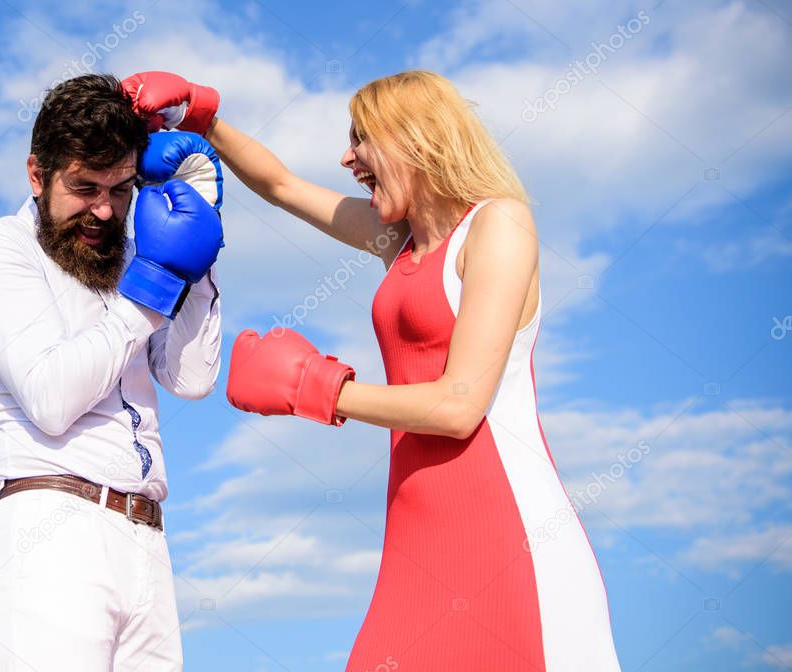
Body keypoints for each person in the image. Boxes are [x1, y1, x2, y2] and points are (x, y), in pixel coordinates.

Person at [124, 70, 622, 670]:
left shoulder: (498, 224)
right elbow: (281, 184)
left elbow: (459, 406)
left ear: (415, 139)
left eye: (362, 139)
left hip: (508, 533)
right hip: (416, 543)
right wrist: (201, 118)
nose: (347, 157)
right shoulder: (399, 240)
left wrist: (313, 386)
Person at [0, 73, 224, 671]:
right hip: (50, 532)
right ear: (36, 174)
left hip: (146, 540)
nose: (104, 209)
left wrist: (195, 259)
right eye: (84, 187)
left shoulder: (127, 258)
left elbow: (193, 379)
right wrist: (154, 284)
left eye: (121, 189)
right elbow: (50, 399)